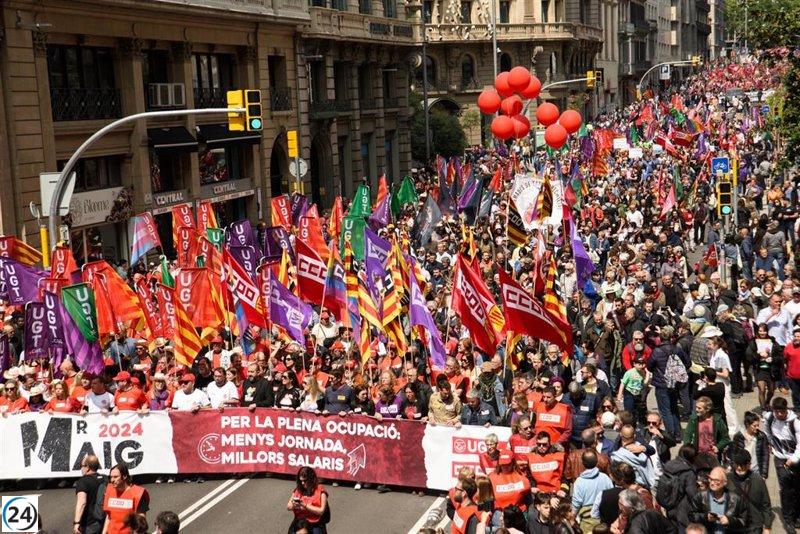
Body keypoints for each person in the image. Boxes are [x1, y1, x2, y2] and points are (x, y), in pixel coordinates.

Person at [763, 396, 800, 529]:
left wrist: (793, 459)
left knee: (797, 488)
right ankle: (788, 520)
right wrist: (769, 443)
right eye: (776, 412)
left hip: (794, 459)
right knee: (786, 489)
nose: (779, 414)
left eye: (781, 412)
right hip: (780, 458)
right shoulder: (769, 417)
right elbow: (766, 431)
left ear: (786, 410)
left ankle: (797, 516)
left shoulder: (795, 422)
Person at [688, 467, 747, 532]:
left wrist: (730, 521)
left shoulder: (735, 499)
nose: (712, 483)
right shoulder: (700, 496)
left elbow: (744, 521)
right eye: (711, 479)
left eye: (716, 480)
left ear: (725, 482)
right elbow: (691, 516)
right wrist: (705, 517)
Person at [729, 449, 773, 534]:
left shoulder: (758, 480)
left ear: (749, 464)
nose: (739, 468)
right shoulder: (727, 479)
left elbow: (766, 504)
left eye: (743, 465)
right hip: (733, 524)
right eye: (737, 464)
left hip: (754, 525)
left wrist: (767, 526)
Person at [657, 444, 699, 530]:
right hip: (681, 511)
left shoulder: (669, 466)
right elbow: (692, 494)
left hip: (669, 506)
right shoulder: (688, 472)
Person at [102, 463, 149, 534]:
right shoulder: (110, 490)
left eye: (115, 477)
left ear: (124, 476)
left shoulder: (137, 493)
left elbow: (141, 521)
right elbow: (109, 516)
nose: (112, 480)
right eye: (111, 477)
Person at [683, 396, 730, 468]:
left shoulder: (717, 420)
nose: (696, 410)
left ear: (707, 409)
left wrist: (718, 447)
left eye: (699, 408)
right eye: (696, 407)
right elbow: (687, 434)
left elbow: (725, 438)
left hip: (712, 456)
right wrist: (688, 448)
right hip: (698, 455)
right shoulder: (693, 419)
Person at [571, 449, 613, 526]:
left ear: (583, 463)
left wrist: (572, 517)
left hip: (587, 522)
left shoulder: (579, 482)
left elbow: (576, 503)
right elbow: (611, 495)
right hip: (604, 521)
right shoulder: (605, 478)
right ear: (597, 461)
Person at [287, 466, 329, 534]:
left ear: (311, 479)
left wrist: (305, 505)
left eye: (305, 481)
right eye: (301, 481)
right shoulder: (298, 490)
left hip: (315, 522)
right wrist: (293, 505)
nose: (302, 483)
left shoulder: (320, 490)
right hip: (300, 521)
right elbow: (288, 507)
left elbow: (321, 511)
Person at [730, 411, 770, 478]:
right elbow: (733, 454)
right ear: (748, 424)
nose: (757, 427)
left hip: (756, 471)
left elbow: (765, 456)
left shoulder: (761, 437)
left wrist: (764, 474)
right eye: (754, 426)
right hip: (742, 470)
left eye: (758, 425)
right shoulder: (738, 437)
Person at [73, 454, 105, 534]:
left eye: (82, 466)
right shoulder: (105, 478)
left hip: (89, 523)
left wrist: (77, 522)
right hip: (104, 520)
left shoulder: (82, 482)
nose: (81, 468)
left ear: (87, 467)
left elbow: (82, 502)